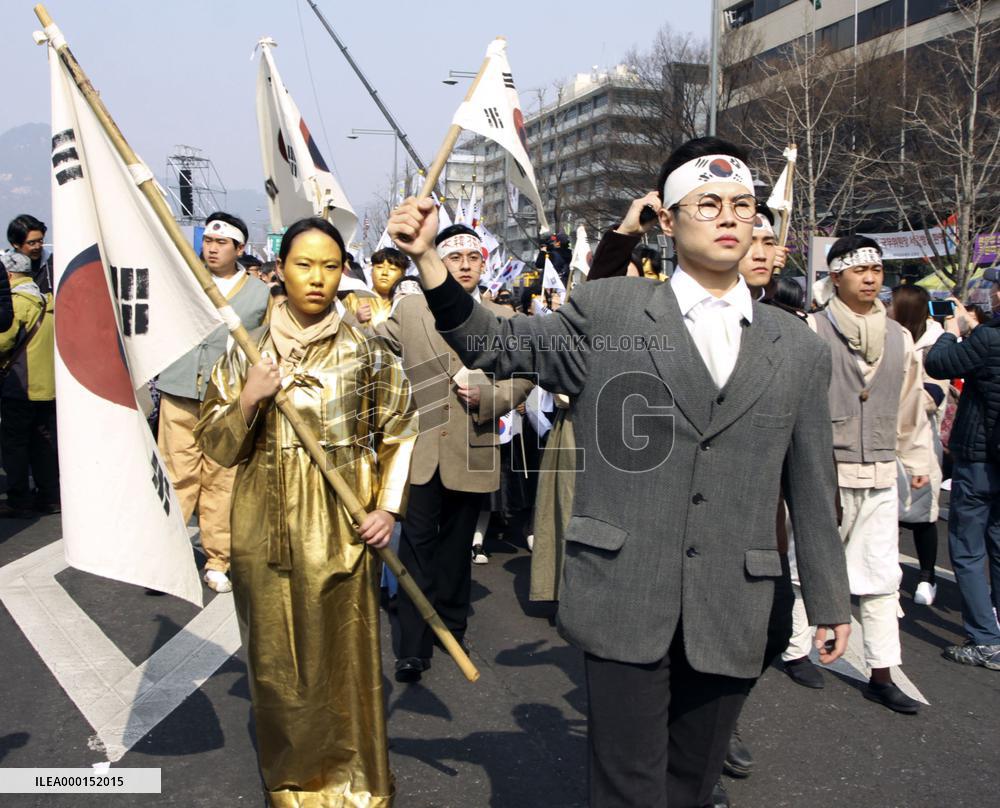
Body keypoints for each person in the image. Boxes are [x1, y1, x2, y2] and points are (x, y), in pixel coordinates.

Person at [389, 136, 851, 807]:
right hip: (624, 590)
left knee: (691, 785)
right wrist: (428, 259)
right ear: (667, 221)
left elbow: (811, 485)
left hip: (735, 600)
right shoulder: (610, 314)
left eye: (743, 206)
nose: (730, 218)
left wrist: (831, 598)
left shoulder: (798, 349)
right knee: (627, 788)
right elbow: (498, 345)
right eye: (709, 204)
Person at [196, 217, 416, 806]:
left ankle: (359, 783)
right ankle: (292, 782)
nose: (317, 278)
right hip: (261, 519)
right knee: (276, 660)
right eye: (303, 264)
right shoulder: (247, 349)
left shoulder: (367, 349)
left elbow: (400, 428)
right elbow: (215, 443)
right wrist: (248, 398)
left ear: (344, 270)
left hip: (342, 521)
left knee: (345, 654)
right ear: (280, 269)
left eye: (329, 265)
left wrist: (387, 508)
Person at [376, 223, 532, 684]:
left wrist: (491, 395)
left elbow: (525, 374)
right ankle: (412, 646)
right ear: (438, 261)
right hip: (420, 447)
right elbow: (372, 345)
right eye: (454, 258)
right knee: (416, 546)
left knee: (457, 547)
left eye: (473, 258)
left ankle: (451, 627)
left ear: (483, 263)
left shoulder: (501, 314)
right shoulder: (411, 307)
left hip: (475, 445)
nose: (464, 266)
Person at [781, 235, 931, 714]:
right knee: (810, 567)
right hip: (823, 469)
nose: (870, 280)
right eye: (859, 271)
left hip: (882, 470)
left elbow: (910, 406)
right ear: (836, 276)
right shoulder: (811, 330)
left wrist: (918, 460)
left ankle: (882, 671)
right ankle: (793, 648)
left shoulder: (899, 337)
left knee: (884, 577)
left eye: (877, 271)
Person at [156, 212, 270, 592]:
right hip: (180, 388)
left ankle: (218, 558)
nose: (212, 248)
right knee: (176, 473)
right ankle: (166, 555)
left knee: (222, 477)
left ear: (240, 249)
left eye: (222, 243)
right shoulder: (185, 279)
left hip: (227, 398)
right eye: (208, 241)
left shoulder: (259, 294)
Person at [924, 267, 1000, 670]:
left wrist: (952, 327)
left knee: (968, 551)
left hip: (980, 459)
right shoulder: (987, 337)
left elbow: (939, 363)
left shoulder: (987, 339)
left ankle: (985, 640)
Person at [890, 285, 947, 605]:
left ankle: (927, 577)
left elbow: (932, 397)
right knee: (888, 514)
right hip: (887, 439)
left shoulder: (934, 344)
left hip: (922, 439)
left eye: (891, 303)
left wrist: (895, 395)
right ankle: (891, 574)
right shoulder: (888, 337)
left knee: (923, 515)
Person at [0, 251, 59, 517]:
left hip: (20, 385)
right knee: (43, 444)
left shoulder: (18, 303)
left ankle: (18, 499)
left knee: (15, 445)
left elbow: (4, 341)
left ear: (9, 275)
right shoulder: (49, 301)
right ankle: (49, 496)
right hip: (48, 386)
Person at [344, 247, 409, 329]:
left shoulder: (405, 306)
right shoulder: (352, 298)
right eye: (379, 267)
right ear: (371, 271)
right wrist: (355, 319)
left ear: (402, 275)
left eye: (392, 269)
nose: (385, 273)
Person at [6, 214, 52, 294]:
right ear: (15, 244)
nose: (38, 246)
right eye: (32, 243)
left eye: (40, 241)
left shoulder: (53, 263)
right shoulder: (4, 268)